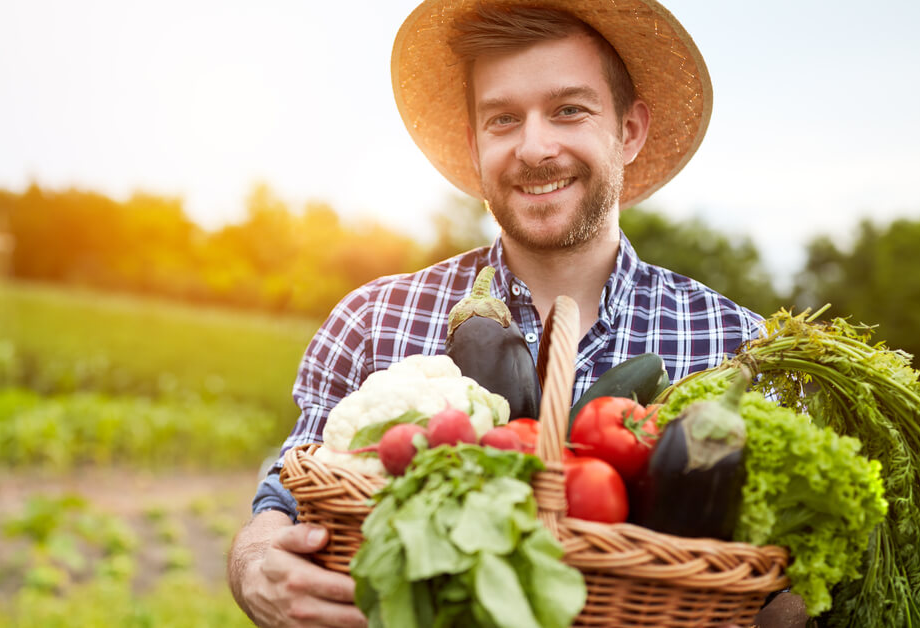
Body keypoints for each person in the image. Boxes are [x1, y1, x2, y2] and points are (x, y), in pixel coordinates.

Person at [229, 1, 804, 626]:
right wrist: (255, 564)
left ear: (629, 131)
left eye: (569, 110)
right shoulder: (371, 319)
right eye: (503, 119)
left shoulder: (743, 347)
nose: (534, 147)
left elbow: (788, 569)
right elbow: (287, 491)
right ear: (475, 145)